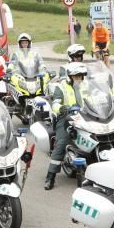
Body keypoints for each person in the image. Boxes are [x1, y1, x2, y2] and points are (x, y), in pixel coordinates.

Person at [45, 63, 89, 191]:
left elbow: (95, 97)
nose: (78, 78)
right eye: (76, 76)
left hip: (85, 116)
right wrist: (62, 108)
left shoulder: (86, 86)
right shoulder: (61, 87)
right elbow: (55, 103)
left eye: (80, 76)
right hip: (66, 118)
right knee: (61, 143)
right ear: (70, 76)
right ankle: (50, 177)